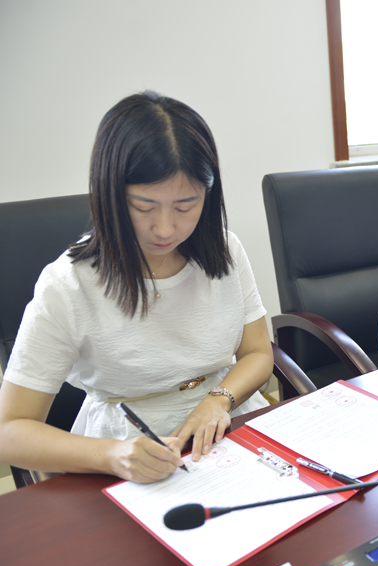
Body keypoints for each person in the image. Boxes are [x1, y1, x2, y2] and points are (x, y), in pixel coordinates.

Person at [0, 91, 273, 484]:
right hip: (123, 452)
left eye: (185, 206)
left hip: (228, 428)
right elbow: (10, 430)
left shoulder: (225, 250)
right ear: (109, 194)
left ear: (208, 195)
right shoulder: (69, 285)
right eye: (144, 207)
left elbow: (258, 353)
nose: (164, 229)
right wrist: (113, 455)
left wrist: (218, 400)